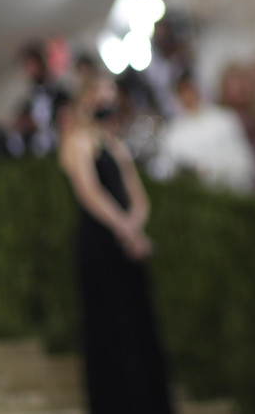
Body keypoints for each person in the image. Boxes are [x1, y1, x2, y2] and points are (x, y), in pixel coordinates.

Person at [58, 75, 173, 414]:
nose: (104, 102)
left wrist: (134, 226)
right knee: (108, 325)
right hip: (99, 243)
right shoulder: (76, 142)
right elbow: (89, 192)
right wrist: (123, 228)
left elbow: (137, 193)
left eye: (110, 96)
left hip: (127, 243)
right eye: (98, 95)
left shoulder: (115, 144)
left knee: (137, 323)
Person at [153, 73, 255, 191]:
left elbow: (245, 162)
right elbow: (165, 169)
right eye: (182, 93)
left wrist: (212, 170)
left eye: (190, 90)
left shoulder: (225, 119)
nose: (187, 97)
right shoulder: (173, 134)